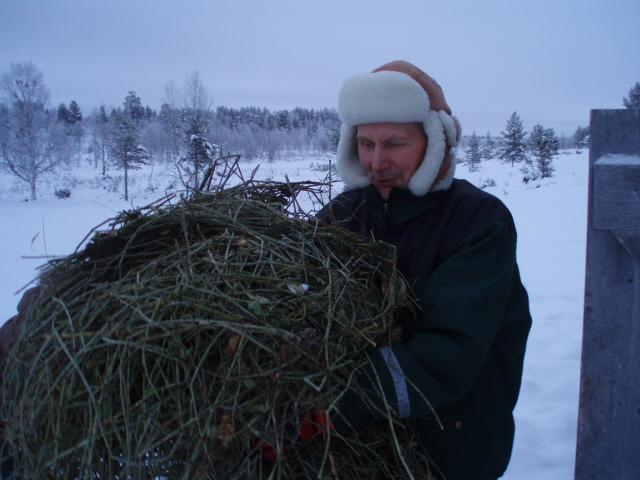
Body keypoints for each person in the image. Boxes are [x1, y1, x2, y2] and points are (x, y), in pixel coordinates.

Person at [320, 60, 532, 479]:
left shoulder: (479, 223)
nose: (376, 162)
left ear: (435, 144)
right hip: (357, 453)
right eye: (366, 143)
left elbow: (448, 355)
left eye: (395, 143)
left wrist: (324, 394)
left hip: (449, 451)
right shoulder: (338, 219)